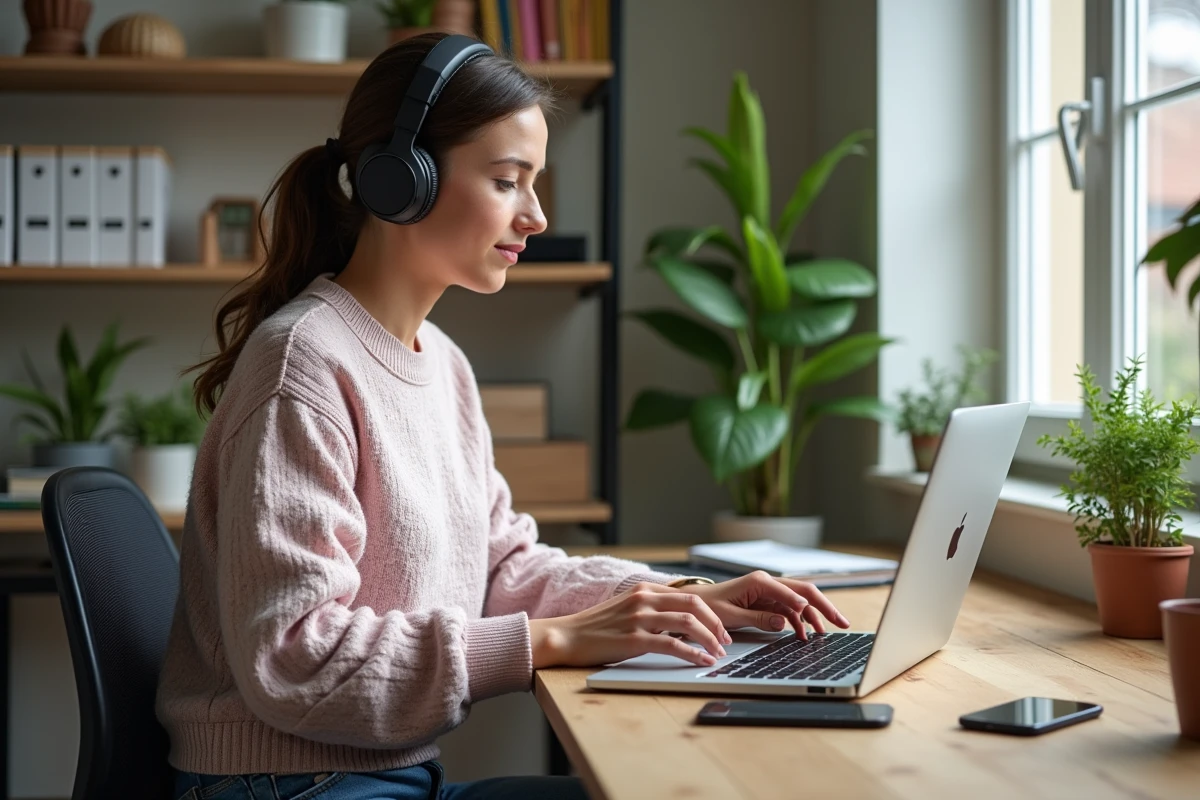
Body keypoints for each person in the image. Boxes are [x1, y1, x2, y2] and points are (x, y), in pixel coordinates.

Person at [156, 33, 850, 800]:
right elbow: (295, 655)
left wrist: (681, 597)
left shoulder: (442, 364)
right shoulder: (304, 365)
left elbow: (504, 569)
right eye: (508, 181)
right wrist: (551, 642)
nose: (537, 216)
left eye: (534, 184)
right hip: (288, 783)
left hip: (371, 773)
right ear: (400, 182)